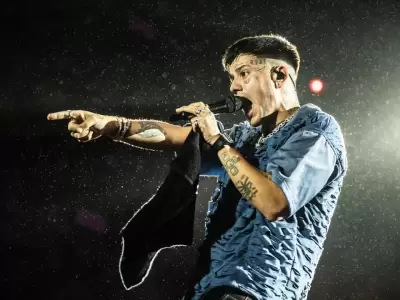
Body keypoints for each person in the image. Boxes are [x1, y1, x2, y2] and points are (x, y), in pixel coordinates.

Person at [47, 34, 348, 300]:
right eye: (232, 77)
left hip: (259, 290)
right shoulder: (245, 139)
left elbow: (275, 202)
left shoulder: (316, 129)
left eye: (244, 73)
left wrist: (216, 138)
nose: (234, 86)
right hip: (208, 288)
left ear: (279, 74)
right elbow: (176, 136)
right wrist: (110, 125)